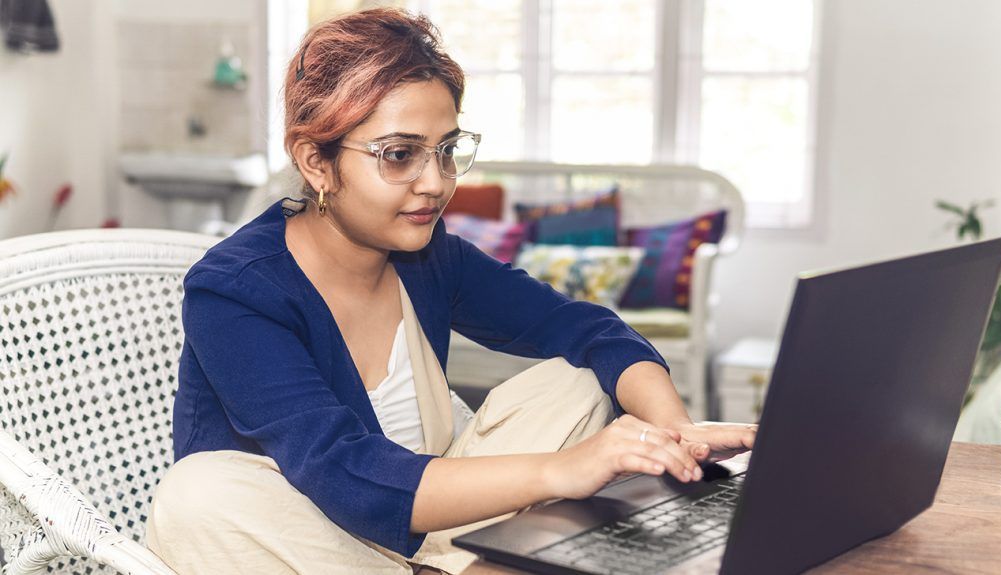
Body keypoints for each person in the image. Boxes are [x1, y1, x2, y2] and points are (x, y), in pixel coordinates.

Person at [144, 8, 756, 575]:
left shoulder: (430, 255)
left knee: (580, 376)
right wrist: (563, 471)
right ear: (315, 161)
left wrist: (676, 431)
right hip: (305, 541)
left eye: (446, 150)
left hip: (433, 532)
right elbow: (343, 472)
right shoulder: (234, 291)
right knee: (198, 493)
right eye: (399, 154)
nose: (434, 183)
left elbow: (590, 329)